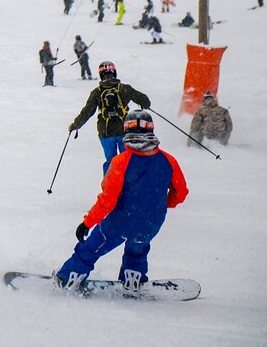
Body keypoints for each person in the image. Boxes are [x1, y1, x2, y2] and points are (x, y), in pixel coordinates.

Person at [54, 109, 188, 292]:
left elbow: (107, 200)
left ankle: (69, 277)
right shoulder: (168, 160)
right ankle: (132, 281)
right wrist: (162, 204)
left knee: (93, 247)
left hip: (121, 221)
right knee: (137, 250)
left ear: (126, 129)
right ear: (151, 129)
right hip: (151, 222)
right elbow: (181, 192)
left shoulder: (121, 161)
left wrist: (87, 223)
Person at [69, 61, 153, 174]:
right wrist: (145, 104)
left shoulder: (97, 92)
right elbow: (145, 100)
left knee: (111, 161)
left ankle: (109, 187)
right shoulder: (124, 88)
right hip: (124, 131)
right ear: (114, 72)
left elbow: (87, 112)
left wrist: (75, 125)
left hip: (105, 132)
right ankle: (129, 186)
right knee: (127, 160)